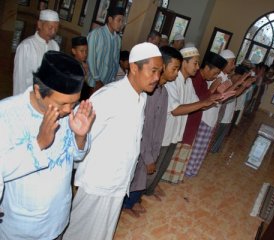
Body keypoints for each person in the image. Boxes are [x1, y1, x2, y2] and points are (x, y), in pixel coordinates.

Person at [63, 42, 163, 240]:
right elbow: (75, 130)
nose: (157, 78)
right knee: (79, 232)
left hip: (118, 182)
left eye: (159, 72)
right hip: (97, 182)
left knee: (102, 233)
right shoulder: (109, 96)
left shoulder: (141, 97)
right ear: (134, 67)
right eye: (152, 71)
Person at [0, 51, 95, 239]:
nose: (69, 110)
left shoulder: (69, 111)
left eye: (74, 103)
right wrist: (38, 144)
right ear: (38, 91)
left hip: (58, 217)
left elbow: (76, 156)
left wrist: (80, 136)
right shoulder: (6, 115)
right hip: (22, 227)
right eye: (62, 104)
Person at [122, 46, 183, 217]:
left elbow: (159, 125)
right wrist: (148, 156)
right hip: (142, 148)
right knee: (135, 177)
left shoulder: (163, 92)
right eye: (175, 68)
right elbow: (143, 128)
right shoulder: (149, 92)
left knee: (141, 179)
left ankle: (132, 202)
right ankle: (126, 204)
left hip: (151, 147)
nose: (177, 73)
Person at [162, 52, 227, 184]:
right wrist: (211, 92)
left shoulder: (195, 81)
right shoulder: (189, 79)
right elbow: (181, 107)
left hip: (185, 124)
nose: (197, 67)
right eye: (195, 63)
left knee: (169, 156)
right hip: (179, 124)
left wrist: (210, 99)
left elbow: (199, 102)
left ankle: (162, 182)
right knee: (164, 155)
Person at [13, 9, 60, 95]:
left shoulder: (55, 46)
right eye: (50, 28)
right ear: (39, 24)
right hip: (28, 97)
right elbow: (19, 79)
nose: (53, 32)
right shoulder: (26, 46)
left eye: (56, 29)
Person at [87, 6, 124, 94]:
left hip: (108, 84)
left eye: (122, 21)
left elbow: (115, 61)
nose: (121, 24)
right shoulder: (96, 34)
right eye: (119, 20)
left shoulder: (117, 39)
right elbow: (90, 58)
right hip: (95, 83)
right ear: (110, 19)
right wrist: (97, 80)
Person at [71, 36, 90, 100]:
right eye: (81, 51)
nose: (85, 54)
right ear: (74, 51)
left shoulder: (84, 65)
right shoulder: (70, 66)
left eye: (86, 51)